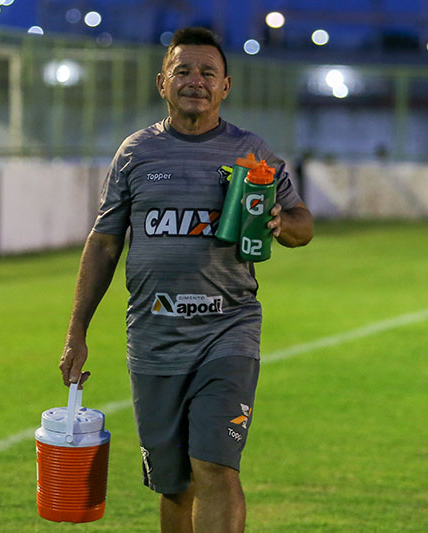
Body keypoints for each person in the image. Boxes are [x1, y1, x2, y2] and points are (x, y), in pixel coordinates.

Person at [59, 27, 313, 533]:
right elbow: (105, 241)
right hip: (153, 338)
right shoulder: (136, 153)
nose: (195, 81)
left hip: (228, 332)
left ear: (226, 86)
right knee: (174, 484)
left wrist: (282, 225)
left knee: (216, 466)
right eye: (184, 71)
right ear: (162, 83)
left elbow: (302, 221)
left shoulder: (252, 153)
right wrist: (77, 332)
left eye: (207, 73)